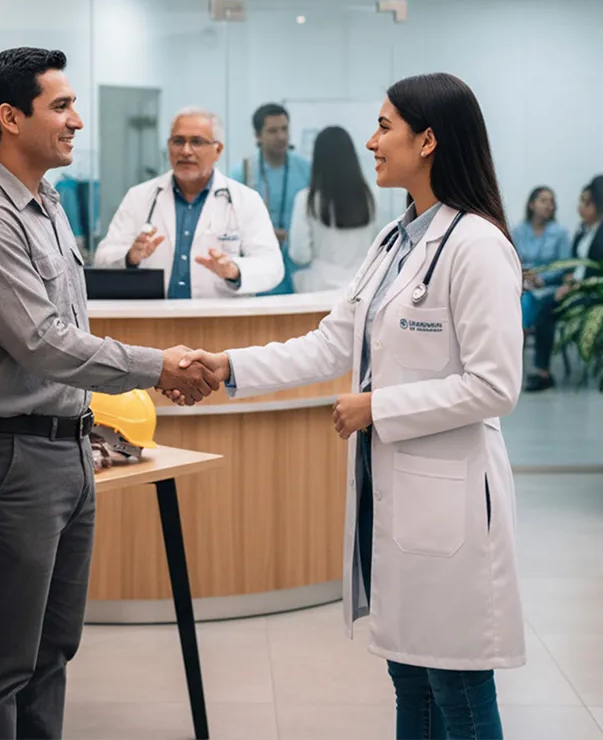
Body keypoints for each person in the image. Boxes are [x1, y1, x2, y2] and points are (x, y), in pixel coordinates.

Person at [179, 74, 525, 740]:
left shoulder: (477, 247)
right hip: (398, 499)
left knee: (457, 688)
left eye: (385, 127)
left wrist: (378, 407)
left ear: (428, 141)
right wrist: (229, 367)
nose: (371, 141)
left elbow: (495, 386)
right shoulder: (395, 241)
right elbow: (331, 342)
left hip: (451, 504)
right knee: (411, 681)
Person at [0, 48, 219, 740]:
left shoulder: (47, 205)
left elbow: (63, 335)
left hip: (67, 450)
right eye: (60, 106)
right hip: (12, 458)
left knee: (52, 649)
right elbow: (42, 342)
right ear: (10, 118)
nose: (77, 121)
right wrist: (157, 367)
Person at [93, 106, 284, 299]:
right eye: (178, 141)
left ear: (217, 150)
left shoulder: (246, 200)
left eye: (196, 142)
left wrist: (234, 270)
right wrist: (129, 257)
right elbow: (102, 258)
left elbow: (272, 266)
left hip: (219, 315)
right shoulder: (139, 197)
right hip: (154, 314)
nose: (185, 151)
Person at [527, 175, 603, 393]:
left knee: (546, 310)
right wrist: (569, 280)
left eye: (586, 202)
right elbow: (575, 265)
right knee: (543, 307)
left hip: (594, 294)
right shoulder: (583, 231)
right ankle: (542, 371)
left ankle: (543, 373)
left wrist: (576, 286)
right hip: (575, 288)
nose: (580, 207)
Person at [231, 102, 312, 294]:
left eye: (284, 129)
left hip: (297, 267)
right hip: (258, 264)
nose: (281, 136)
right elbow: (232, 221)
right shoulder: (243, 173)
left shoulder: (306, 169)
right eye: (273, 131)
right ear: (258, 135)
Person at [288, 126, 377, 292]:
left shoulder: (306, 199)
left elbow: (300, 254)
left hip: (320, 288)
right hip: (363, 286)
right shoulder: (369, 196)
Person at [511, 187, 571, 391]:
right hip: (524, 285)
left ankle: (522, 358)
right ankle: (513, 368)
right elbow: (512, 260)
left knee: (530, 305)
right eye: (543, 200)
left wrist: (542, 279)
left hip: (549, 288)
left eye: (551, 201)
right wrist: (525, 276)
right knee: (518, 300)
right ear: (531, 204)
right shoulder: (519, 232)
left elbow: (565, 265)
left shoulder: (560, 233)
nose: (548, 205)